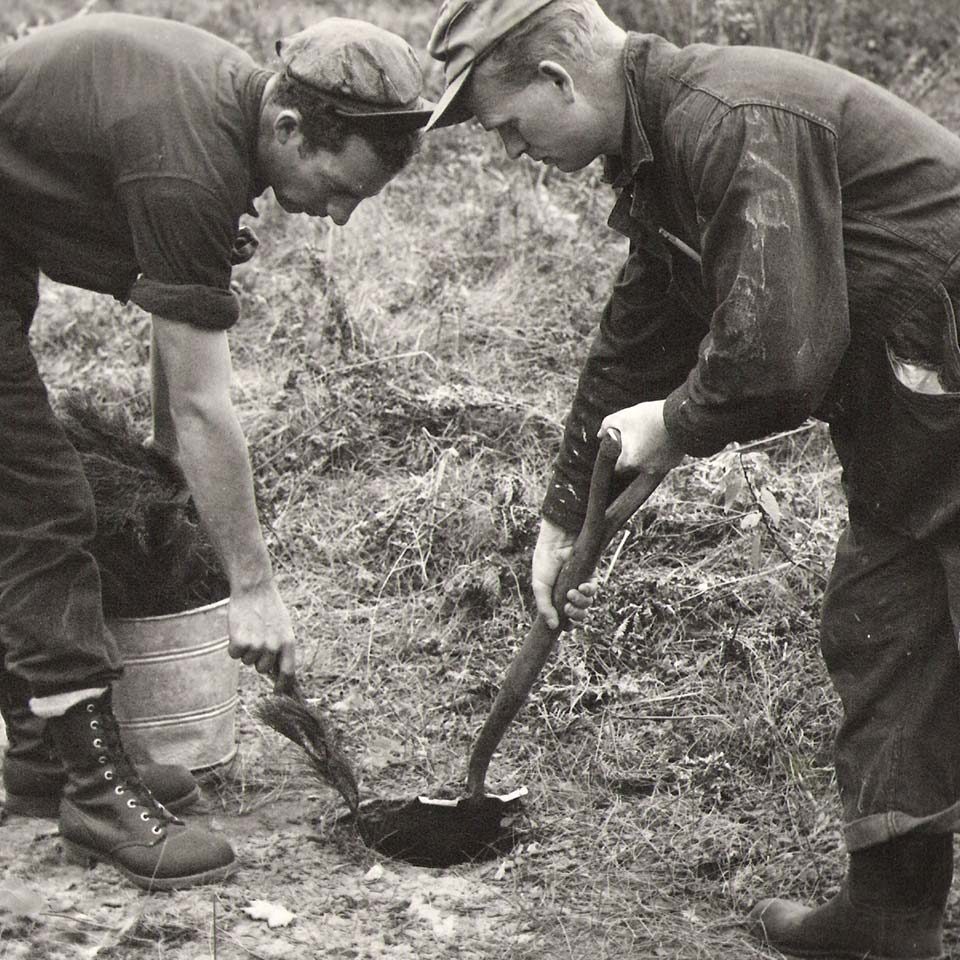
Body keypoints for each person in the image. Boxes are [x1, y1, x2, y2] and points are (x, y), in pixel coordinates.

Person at [426, 0, 960, 956]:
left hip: (937, 375)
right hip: (914, 402)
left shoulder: (728, 116)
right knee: (886, 621)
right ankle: (892, 914)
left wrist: (674, 427)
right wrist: (558, 517)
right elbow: (640, 332)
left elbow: (783, 351)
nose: (508, 151)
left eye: (508, 125)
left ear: (558, 79)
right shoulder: (660, 151)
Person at [0, 11, 435, 890]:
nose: (340, 216)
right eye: (337, 184)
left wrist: (166, 450)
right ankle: (91, 793)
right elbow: (205, 405)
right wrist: (255, 588)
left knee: (25, 495)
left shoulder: (226, 116)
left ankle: (46, 760)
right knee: (44, 507)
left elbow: (175, 321)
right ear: (288, 127)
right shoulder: (189, 160)